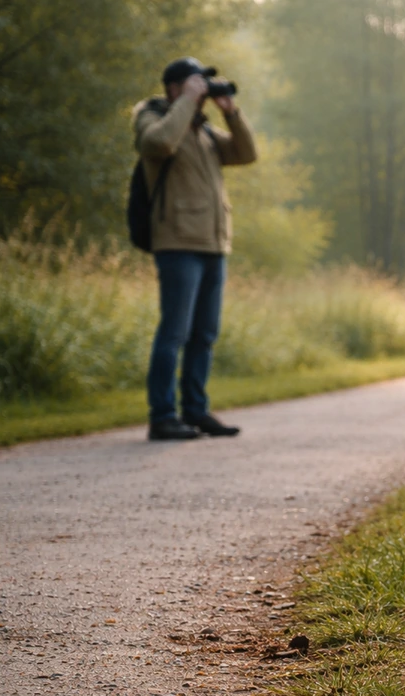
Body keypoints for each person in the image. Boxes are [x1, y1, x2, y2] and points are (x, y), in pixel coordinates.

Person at [132, 57, 257, 441]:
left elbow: (245, 153)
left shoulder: (202, 130)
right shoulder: (152, 116)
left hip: (212, 243)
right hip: (177, 243)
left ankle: (196, 411)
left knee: (204, 334)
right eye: (195, 83)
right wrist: (187, 99)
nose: (202, 90)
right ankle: (163, 415)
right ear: (175, 87)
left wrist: (230, 113)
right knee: (175, 332)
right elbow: (160, 143)